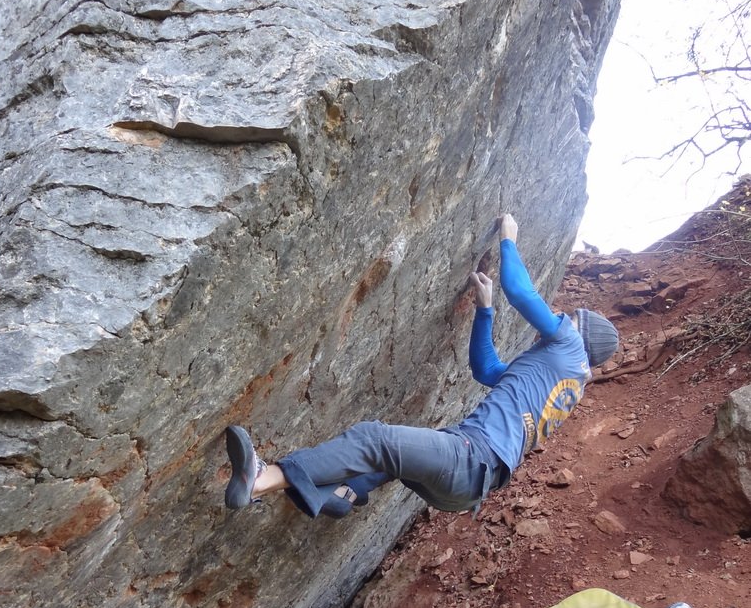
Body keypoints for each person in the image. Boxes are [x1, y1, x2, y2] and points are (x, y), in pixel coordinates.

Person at [224, 214, 618, 519]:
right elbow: (487, 371)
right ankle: (343, 493)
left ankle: (263, 478)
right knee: (388, 460)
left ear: (578, 332)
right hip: (468, 486)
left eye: (567, 317)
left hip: (467, 457)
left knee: (375, 440)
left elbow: (520, 291)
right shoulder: (562, 380)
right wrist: (484, 312)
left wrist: (508, 238)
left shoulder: (568, 343)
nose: (560, 317)